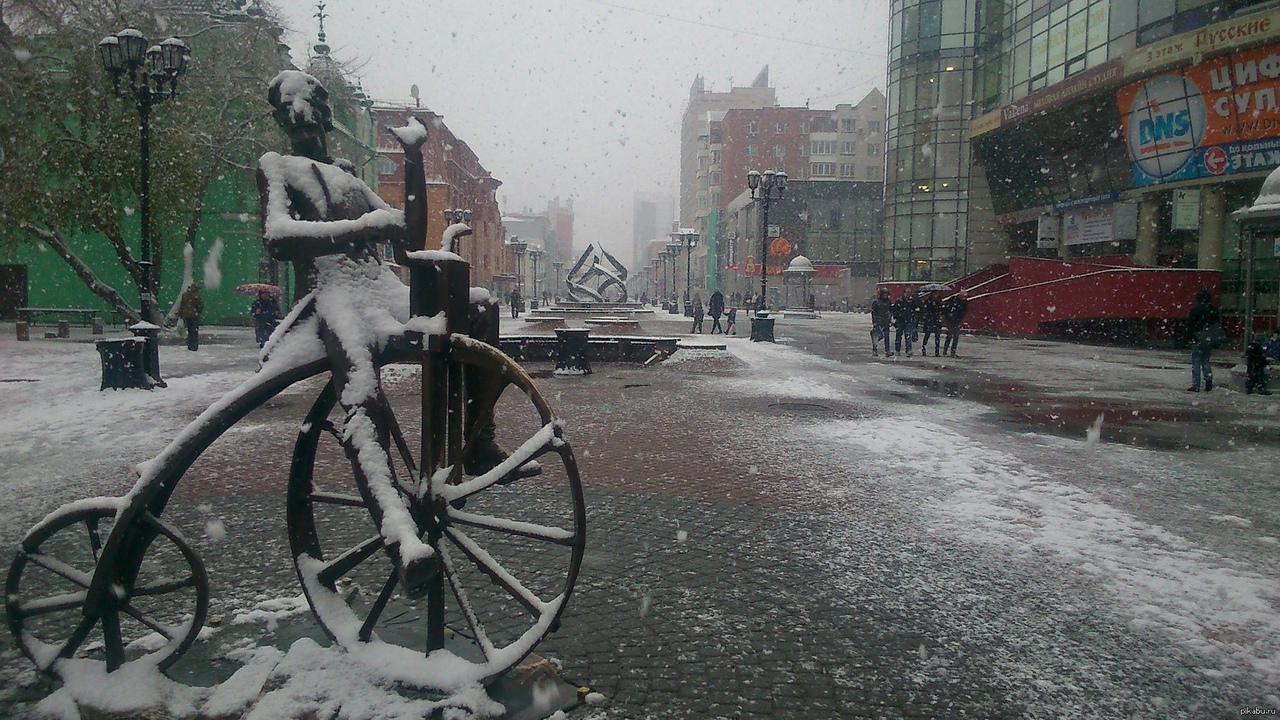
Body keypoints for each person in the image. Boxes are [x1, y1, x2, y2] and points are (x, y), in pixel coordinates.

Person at [258, 70, 527, 594]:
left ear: (324, 112)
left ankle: (476, 442)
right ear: (280, 116)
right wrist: (361, 229)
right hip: (332, 291)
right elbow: (279, 236)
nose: (300, 113)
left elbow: (405, 230)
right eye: (289, 105)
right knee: (361, 392)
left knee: (477, 309)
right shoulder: (278, 168)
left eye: (308, 103)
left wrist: (412, 162)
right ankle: (400, 536)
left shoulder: (346, 178)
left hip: (380, 288)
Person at [1185, 288, 1220, 392]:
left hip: (1198, 337)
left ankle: (1196, 385)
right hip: (1209, 338)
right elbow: (1217, 325)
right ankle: (1208, 380)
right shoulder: (1214, 310)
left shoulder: (1195, 309)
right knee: (1206, 360)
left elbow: (1190, 324)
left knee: (1196, 361)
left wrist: (1189, 336)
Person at [942, 289, 968, 357]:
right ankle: (945, 351)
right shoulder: (953, 300)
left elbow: (963, 312)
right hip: (951, 320)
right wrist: (949, 315)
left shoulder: (964, 303)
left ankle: (952, 352)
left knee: (955, 337)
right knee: (950, 336)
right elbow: (947, 308)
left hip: (956, 321)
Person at [177, 282, 203, 351]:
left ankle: (189, 344)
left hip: (186, 316)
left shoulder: (185, 295)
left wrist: (181, 314)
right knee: (194, 331)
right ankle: (194, 346)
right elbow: (200, 306)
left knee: (189, 330)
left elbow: (181, 305)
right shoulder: (196, 296)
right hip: (194, 316)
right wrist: (197, 311)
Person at [891, 293, 916, 357]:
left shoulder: (911, 301)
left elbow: (914, 310)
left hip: (908, 321)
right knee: (899, 336)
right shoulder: (899, 301)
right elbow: (894, 310)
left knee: (908, 336)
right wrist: (898, 315)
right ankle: (897, 350)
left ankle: (908, 350)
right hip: (900, 321)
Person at [919, 291, 943, 356]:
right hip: (930, 320)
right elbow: (926, 309)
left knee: (937, 336)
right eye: (935, 294)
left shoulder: (939, 301)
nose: (936, 295)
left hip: (936, 320)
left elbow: (941, 309)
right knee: (927, 335)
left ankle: (937, 351)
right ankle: (924, 349)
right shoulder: (928, 301)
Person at [870, 288, 892, 356]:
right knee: (877, 336)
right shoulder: (876, 302)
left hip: (886, 322)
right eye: (884, 294)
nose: (885, 295)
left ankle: (887, 350)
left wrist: (890, 319)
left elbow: (890, 311)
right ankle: (875, 349)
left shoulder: (888, 302)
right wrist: (875, 321)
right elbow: (874, 312)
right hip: (879, 321)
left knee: (887, 337)